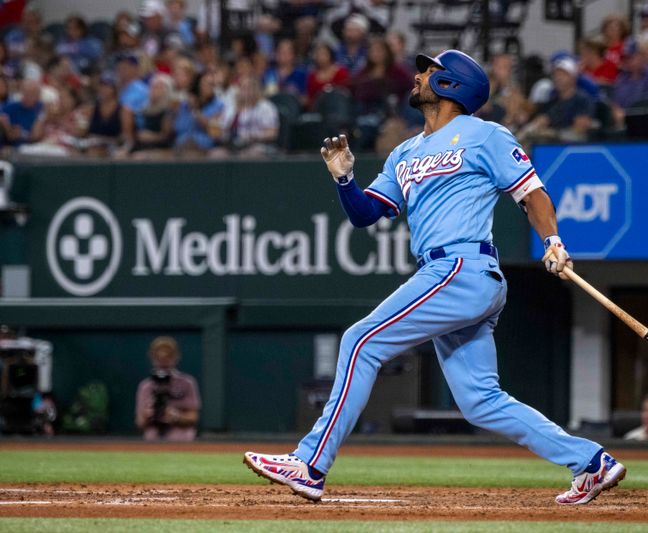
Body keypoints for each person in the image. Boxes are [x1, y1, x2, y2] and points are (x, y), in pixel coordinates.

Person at [243, 49, 626, 506]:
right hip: (451, 274)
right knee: (480, 400)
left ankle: (311, 463)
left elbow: (533, 193)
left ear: (453, 84)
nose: (420, 76)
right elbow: (368, 215)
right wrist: (345, 180)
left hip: (462, 266)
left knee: (360, 341)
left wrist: (553, 242)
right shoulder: (405, 151)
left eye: (430, 71)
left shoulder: (484, 135)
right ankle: (591, 461)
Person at [135, 336, 200, 441]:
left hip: (181, 435)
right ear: (152, 357)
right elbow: (140, 423)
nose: (163, 361)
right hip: (153, 436)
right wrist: (150, 415)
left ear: (176, 357)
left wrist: (176, 416)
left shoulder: (187, 382)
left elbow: (194, 417)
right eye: (158, 357)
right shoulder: (146, 386)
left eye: (168, 356)